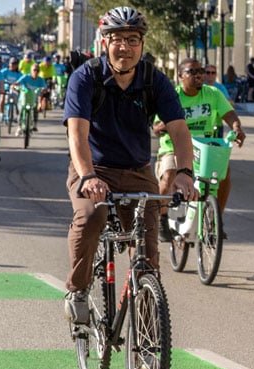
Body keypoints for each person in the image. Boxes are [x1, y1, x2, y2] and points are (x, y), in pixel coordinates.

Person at [62, 6, 198, 324]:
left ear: (141, 43)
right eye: (118, 38)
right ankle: (77, 290)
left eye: (133, 39)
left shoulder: (154, 81)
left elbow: (178, 129)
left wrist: (184, 173)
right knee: (91, 214)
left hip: (138, 172)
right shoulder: (86, 78)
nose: (125, 46)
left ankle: (148, 344)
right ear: (105, 42)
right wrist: (88, 176)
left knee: (147, 259)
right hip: (93, 169)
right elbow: (77, 135)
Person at [153, 58, 245, 241]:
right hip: (175, 148)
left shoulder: (213, 94)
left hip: (205, 148)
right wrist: (162, 126)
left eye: (201, 71)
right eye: (192, 72)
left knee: (223, 173)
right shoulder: (172, 96)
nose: (199, 75)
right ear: (180, 76)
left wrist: (236, 127)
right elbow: (156, 126)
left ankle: (215, 218)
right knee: (170, 172)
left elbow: (229, 115)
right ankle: (162, 217)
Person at [12, 63, 47, 133]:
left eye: (37, 70)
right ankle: (19, 127)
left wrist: (43, 89)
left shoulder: (41, 80)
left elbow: (44, 87)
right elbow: (18, 82)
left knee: (35, 110)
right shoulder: (25, 77)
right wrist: (14, 85)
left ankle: (34, 125)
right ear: (31, 71)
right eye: (34, 70)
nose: (36, 72)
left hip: (33, 99)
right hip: (24, 98)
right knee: (21, 111)